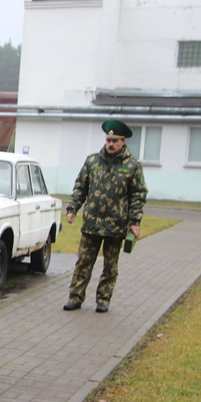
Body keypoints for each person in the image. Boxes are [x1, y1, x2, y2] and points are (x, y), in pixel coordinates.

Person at [63, 119, 148, 313]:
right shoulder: (92, 161)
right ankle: (75, 297)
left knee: (110, 267)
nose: (110, 144)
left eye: (115, 140)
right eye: (108, 140)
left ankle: (103, 299)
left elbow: (138, 194)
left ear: (123, 141)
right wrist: (72, 209)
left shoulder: (133, 166)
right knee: (83, 263)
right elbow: (80, 187)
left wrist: (135, 221)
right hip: (91, 223)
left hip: (116, 225)